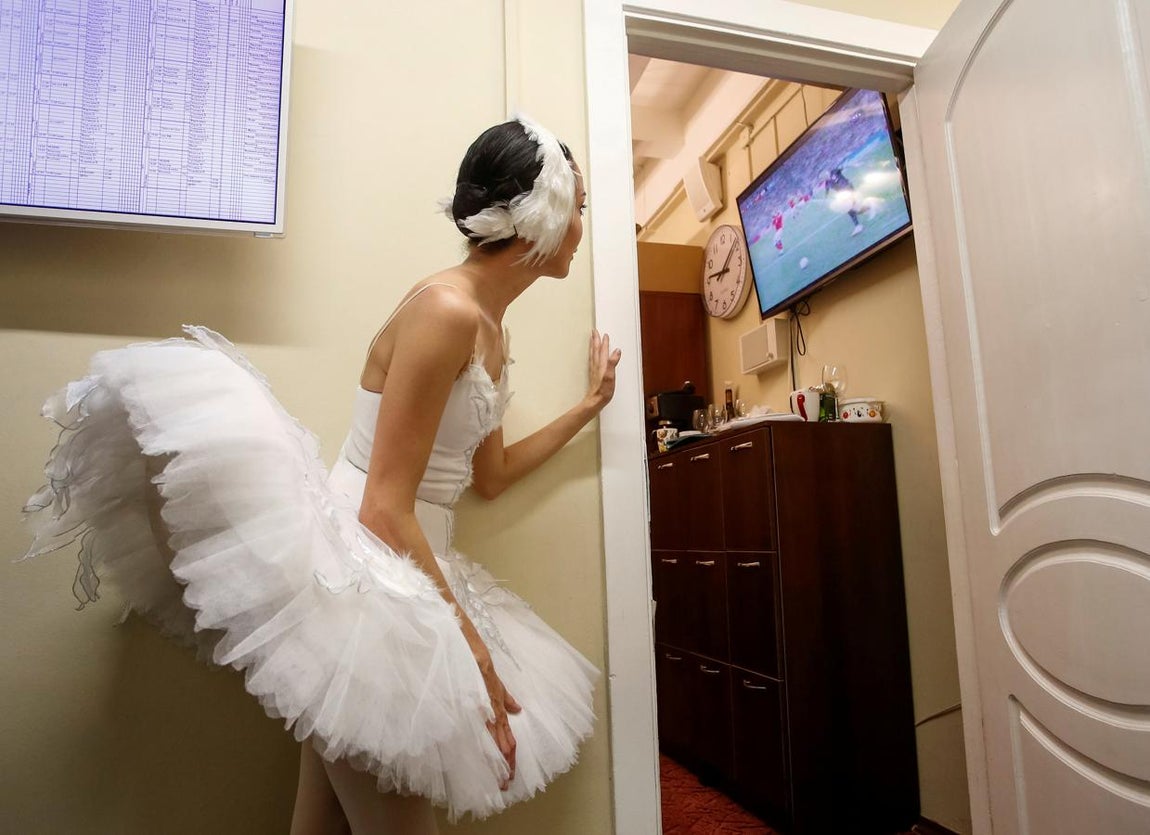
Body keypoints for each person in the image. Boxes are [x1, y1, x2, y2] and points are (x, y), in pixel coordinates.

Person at [21, 116, 619, 834]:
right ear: (541, 213)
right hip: (362, 575)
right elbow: (382, 508)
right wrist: (472, 649)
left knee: (321, 823)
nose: (582, 225)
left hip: (398, 572)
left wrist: (588, 407)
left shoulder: (492, 328)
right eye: (577, 205)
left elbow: (488, 475)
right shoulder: (447, 311)